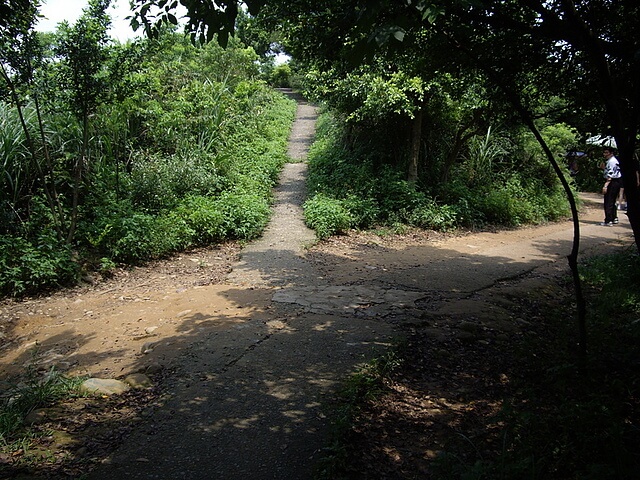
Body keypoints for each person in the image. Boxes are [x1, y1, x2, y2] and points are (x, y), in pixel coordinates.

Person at [600, 147, 622, 226]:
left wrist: (605, 186)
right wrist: (604, 168)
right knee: (612, 201)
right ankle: (613, 218)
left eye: (606, 152)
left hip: (612, 182)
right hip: (616, 182)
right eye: (604, 152)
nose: (604, 154)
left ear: (611, 153)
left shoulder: (611, 161)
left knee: (608, 201)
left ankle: (608, 220)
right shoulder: (612, 161)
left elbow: (610, 176)